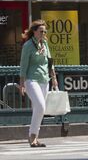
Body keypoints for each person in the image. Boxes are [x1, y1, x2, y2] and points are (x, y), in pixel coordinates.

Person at [19, 19, 58, 147]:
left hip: (44, 79)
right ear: (34, 31)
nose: (43, 33)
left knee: (39, 109)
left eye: (44, 31)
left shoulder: (44, 43)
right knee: (40, 106)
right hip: (31, 80)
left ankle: (34, 137)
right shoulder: (28, 45)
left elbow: (49, 61)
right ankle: (32, 136)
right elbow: (23, 65)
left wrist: (54, 77)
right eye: (41, 31)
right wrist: (22, 83)